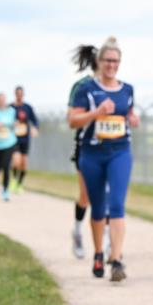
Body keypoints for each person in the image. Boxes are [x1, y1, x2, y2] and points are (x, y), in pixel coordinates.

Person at [68, 36, 139, 282]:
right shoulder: (86, 89)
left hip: (120, 152)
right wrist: (96, 112)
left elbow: (128, 113)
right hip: (92, 154)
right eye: (108, 60)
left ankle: (116, 260)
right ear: (99, 61)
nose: (111, 65)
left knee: (117, 205)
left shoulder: (127, 89)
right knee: (98, 208)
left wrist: (133, 119)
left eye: (115, 61)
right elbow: (72, 120)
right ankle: (99, 252)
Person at [69, 64, 94, 259]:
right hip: (86, 146)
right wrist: (96, 113)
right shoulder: (82, 86)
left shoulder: (118, 86)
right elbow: (72, 118)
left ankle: (108, 244)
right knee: (85, 196)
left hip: (111, 148)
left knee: (109, 197)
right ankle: (77, 231)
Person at [10, 85, 39, 193]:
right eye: (18, 94)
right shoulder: (10, 108)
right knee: (16, 161)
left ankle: (19, 184)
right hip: (14, 139)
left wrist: (35, 128)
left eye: (21, 94)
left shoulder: (27, 107)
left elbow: (35, 120)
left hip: (25, 139)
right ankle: (13, 180)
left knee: (24, 163)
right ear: (15, 94)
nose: (19, 96)